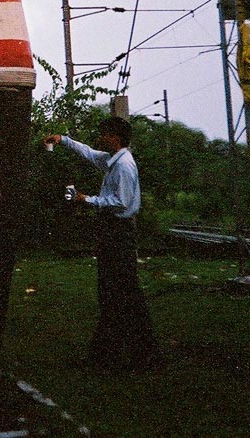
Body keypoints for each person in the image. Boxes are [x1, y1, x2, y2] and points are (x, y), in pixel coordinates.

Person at [44, 117, 163, 372]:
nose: (99, 138)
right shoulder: (113, 160)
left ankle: (133, 354)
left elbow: (120, 202)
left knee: (121, 294)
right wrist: (63, 140)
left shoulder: (123, 167)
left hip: (119, 233)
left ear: (115, 137)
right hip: (114, 232)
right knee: (118, 294)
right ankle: (115, 354)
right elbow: (89, 153)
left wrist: (86, 199)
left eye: (103, 134)